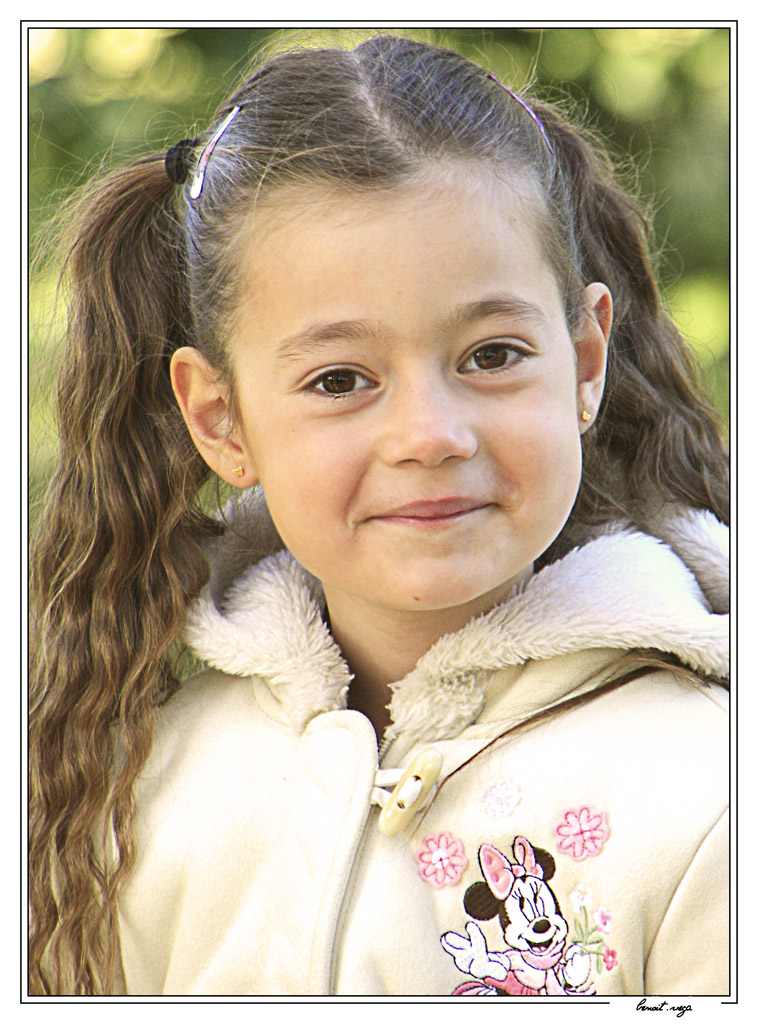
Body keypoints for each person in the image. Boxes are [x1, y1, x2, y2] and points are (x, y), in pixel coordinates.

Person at [29, 34, 729, 997]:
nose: (430, 435)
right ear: (221, 419)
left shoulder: (710, 793)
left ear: (585, 361)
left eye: (491, 355)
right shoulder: (119, 796)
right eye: (340, 379)